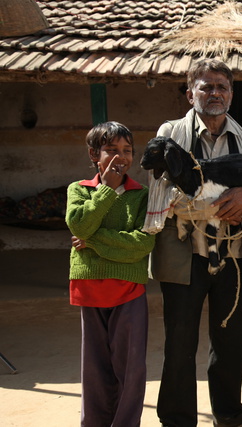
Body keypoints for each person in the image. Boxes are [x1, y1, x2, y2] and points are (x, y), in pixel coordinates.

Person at [143, 59, 242, 427]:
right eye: (206, 87)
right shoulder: (171, 134)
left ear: (231, 94)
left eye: (221, 87)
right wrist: (208, 208)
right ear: (190, 93)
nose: (214, 93)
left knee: (230, 341)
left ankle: (230, 415)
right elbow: (160, 190)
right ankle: (177, 419)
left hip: (233, 257)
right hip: (184, 255)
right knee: (180, 343)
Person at [65, 121, 155, 426]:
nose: (122, 157)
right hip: (90, 290)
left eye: (127, 150)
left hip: (129, 290)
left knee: (131, 369)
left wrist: (92, 240)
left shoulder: (141, 195)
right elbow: (78, 224)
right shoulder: (79, 190)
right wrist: (103, 191)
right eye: (112, 150)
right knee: (94, 369)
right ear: (94, 154)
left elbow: (143, 243)